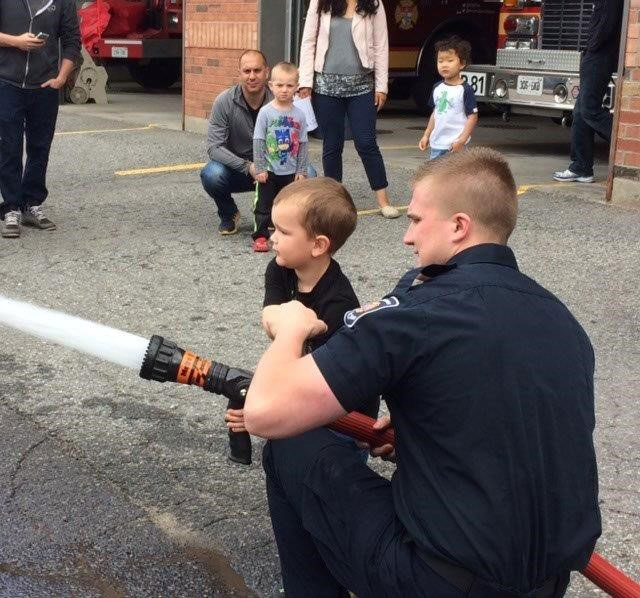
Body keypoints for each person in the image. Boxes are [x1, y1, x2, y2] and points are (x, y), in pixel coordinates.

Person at [244, 148, 601, 597]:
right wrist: (420, 428)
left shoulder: (416, 311)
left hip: (436, 579)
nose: (406, 238)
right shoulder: (562, 321)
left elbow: (264, 411)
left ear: (458, 226)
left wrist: (290, 331)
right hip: (547, 581)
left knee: (291, 445)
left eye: (415, 220)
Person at [226, 178, 379, 594]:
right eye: (273, 228)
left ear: (319, 245)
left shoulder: (339, 304)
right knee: (290, 467)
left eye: (283, 232)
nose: (272, 238)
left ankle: (326, 563)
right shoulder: (280, 270)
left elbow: (317, 391)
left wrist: (266, 410)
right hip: (304, 391)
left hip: (345, 419)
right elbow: (272, 321)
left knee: (328, 503)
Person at [298, 0, 400, 219]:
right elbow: (308, 41)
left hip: (362, 86)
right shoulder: (320, 2)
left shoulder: (373, 3)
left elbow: (381, 45)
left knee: (366, 143)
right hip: (326, 85)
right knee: (332, 144)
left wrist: (381, 86)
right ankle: (335, 202)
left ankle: (384, 201)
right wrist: (305, 81)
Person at [201, 51, 317, 236]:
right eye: (247, 71)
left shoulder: (283, 98)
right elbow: (214, 148)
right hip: (239, 169)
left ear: (266, 72)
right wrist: (248, 166)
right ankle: (229, 214)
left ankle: (277, 217)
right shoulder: (224, 102)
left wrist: (297, 169)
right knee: (211, 174)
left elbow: (299, 141)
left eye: (257, 70)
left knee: (309, 173)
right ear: (239, 72)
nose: (252, 76)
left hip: (275, 168)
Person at [0, 0, 81, 239]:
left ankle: (31, 203)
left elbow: (72, 41)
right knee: (9, 145)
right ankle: (12, 207)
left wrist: (61, 78)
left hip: (45, 85)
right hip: (7, 82)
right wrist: (16, 41)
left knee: (40, 146)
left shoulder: (63, 2)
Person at [553, 0, 623, 183]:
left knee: (589, 110)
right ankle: (581, 168)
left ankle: (627, 143)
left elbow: (607, 25)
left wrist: (591, 47)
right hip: (596, 55)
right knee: (580, 112)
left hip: (599, 56)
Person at [251, 62, 309, 253]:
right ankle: (260, 235)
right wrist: (260, 168)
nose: (284, 90)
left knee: (288, 207)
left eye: (289, 85)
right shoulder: (266, 113)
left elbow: (303, 143)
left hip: (291, 171)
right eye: (280, 85)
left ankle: (284, 235)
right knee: (264, 204)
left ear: (296, 87)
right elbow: (259, 140)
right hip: (269, 170)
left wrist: (301, 170)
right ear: (271, 85)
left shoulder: (300, 115)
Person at [418, 36, 478, 160]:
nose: (444, 65)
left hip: (456, 145)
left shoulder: (465, 90)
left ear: (462, 64)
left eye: (450, 61)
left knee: (456, 178)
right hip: (437, 144)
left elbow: (472, 117)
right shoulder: (437, 88)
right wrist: (426, 135)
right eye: (440, 61)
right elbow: (436, 113)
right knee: (435, 176)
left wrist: (462, 140)